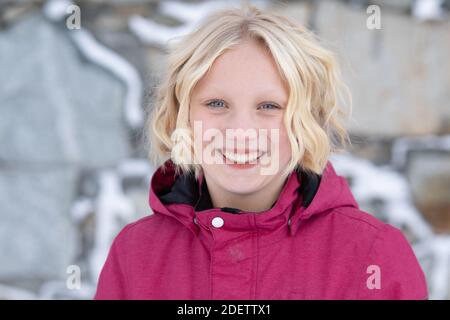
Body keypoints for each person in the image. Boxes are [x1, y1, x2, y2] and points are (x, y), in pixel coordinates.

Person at [94, 3, 428, 300]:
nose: (240, 132)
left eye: (268, 106)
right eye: (216, 104)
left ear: (305, 120)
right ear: (182, 115)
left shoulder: (374, 255)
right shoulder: (136, 255)